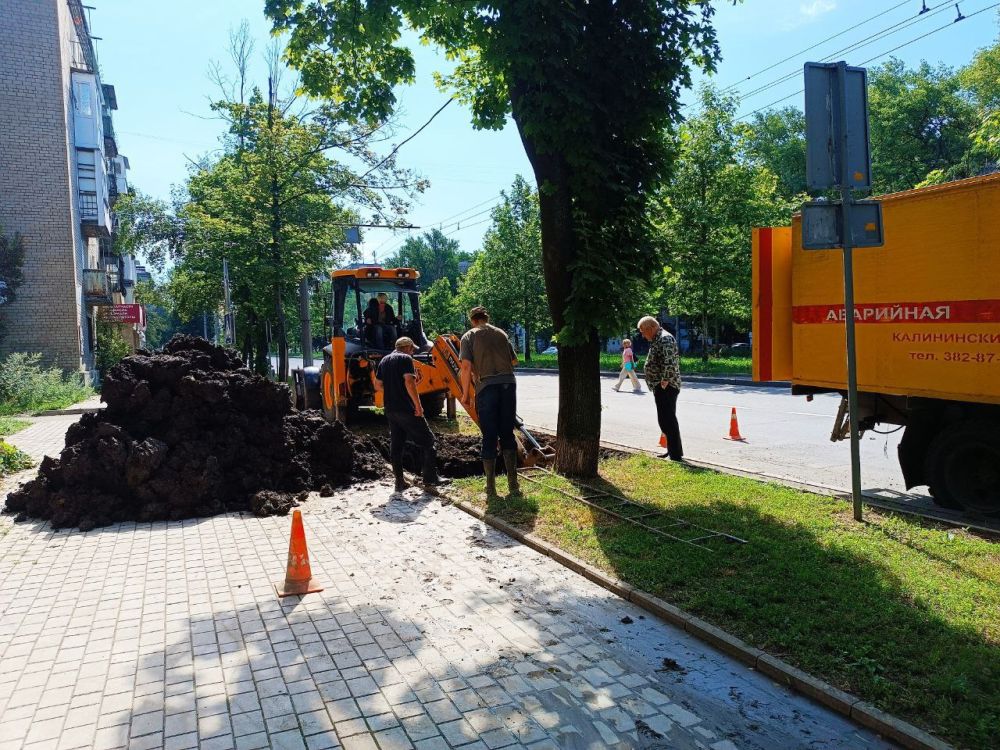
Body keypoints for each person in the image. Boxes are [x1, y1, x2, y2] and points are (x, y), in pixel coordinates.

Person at [374, 336, 448, 492]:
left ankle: (399, 482)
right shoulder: (405, 359)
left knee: (397, 445)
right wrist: (418, 406)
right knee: (428, 441)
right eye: (412, 349)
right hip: (406, 408)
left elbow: (377, 385)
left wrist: (392, 391)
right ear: (407, 348)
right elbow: (409, 382)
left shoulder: (384, 361)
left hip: (390, 409)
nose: (413, 352)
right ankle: (431, 479)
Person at [459, 306, 520, 496]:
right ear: (487, 317)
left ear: (473, 320)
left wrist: (465, 394)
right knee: (507, 433)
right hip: (508, 385)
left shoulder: (469, 336)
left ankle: (491, 488)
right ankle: (513, 485)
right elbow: (514, 361)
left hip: (486, 388)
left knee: (489, 435)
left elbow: (466, 366)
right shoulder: (501, 333)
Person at [638, 316, 683, 461]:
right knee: (665, 419)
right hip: (661, 385)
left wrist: (664, 381)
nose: (643, 336)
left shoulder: (664, 338)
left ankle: (675, 454)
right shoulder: (657, 339)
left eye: (643, 332)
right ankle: (672, 450)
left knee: (668, 420)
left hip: (667, 386)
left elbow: (670, 362)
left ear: (651, 328)